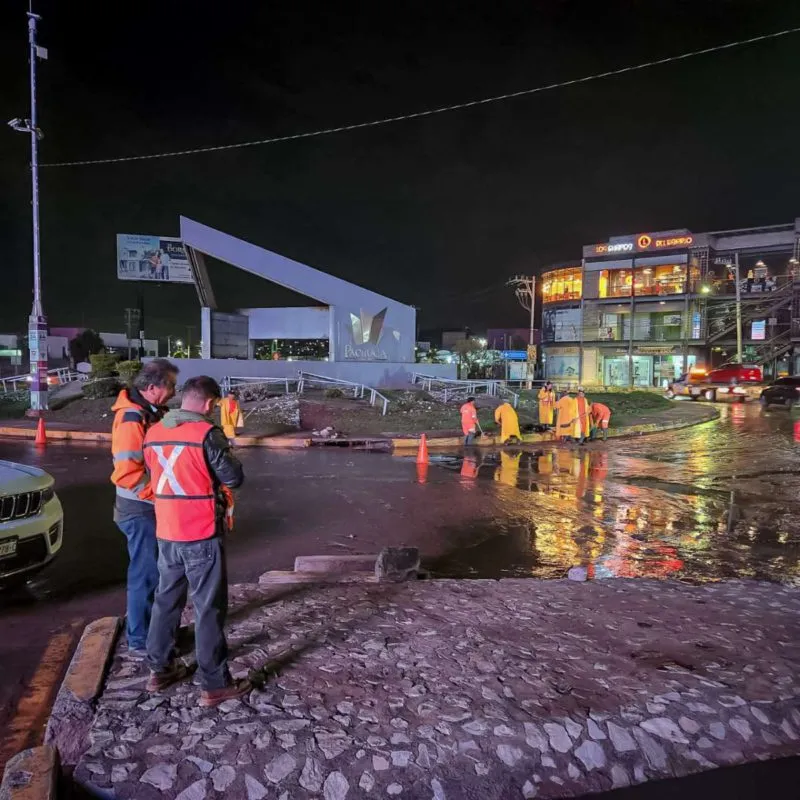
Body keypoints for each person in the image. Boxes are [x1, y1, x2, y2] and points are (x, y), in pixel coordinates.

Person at [143, 376, 248, 707]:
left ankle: (160, 670)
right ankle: (214, 683)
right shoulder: (207, 434)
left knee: (166, 600)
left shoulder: (154, 431)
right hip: (200, 530)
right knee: (208, 607)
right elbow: (234, 478)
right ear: (208, 404)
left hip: (167, 529)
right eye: (215, 407)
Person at [111, 359, 179, 654]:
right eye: (171, 386)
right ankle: (140, 641)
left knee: (156, 571)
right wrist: (159, 495)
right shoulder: (132, 419)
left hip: (146, 506)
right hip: (139, 509)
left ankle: (152, 632)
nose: (174, 392)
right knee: (146, 572)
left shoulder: (151, 413)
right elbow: (127, 474)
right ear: (152, 388)